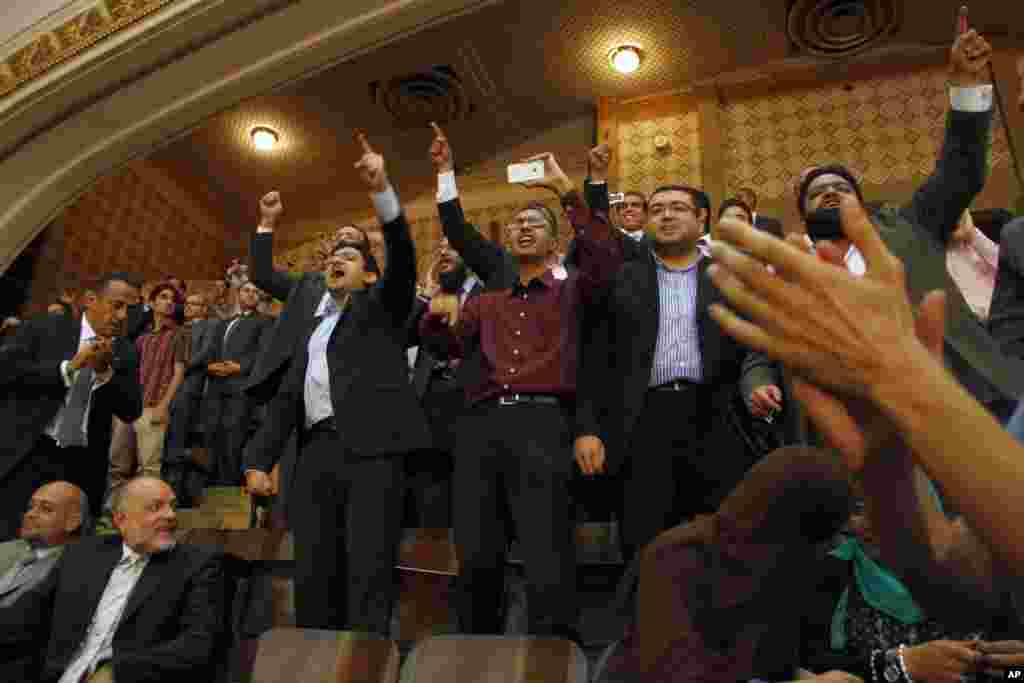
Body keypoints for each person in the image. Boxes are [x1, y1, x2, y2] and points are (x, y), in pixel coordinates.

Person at [742, 29, 1024, 424]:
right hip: (869, 427)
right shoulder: (788, 264)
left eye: (841, 187)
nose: (830, 194)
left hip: (972, 399)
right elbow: (762, 348)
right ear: (802, 213)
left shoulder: (908, 225)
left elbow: (961, 168)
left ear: (862, 201)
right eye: (817, 192)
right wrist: (756, 383)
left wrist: (967, 86)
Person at [420, 145, 623, 641]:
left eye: (536, 222)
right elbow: (445, 346)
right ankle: (476, 654)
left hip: (544, 425)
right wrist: (434, 315)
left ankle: (552, 658)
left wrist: (564, 190)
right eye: (516, 224)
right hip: (479, 430)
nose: (524, 226)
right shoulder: (485, 301)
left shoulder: (574, 289)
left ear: (555, 243)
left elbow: (605, 253)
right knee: (476, 554)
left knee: (547, 553)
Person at [244, 134, 430, 634]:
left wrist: (384, 193)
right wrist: (260, 460)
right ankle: (315, 655)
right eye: (333, 254)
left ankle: (362, 661)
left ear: (369, 276)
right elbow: (288, 399)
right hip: (317, 454)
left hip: (373, 453)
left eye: (351, 256)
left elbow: (405, 259)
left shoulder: (383, 310)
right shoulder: (312, 327)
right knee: (313, 566)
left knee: (367, 567)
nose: (337, 258)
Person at [574, 181, 771, 565]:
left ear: (702, 220)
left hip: (717, 418)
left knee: (721, 539)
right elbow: (595, 359)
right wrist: (587, 428)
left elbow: (754, 346)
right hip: (644, 422)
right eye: (658, 209)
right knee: (645, 542)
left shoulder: (729, 276)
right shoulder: (623, 279)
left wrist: (759, 386)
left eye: (678, 208)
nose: (665, 215)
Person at [599, 445, 854, 683]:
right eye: (820, 540)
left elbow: (773, 668)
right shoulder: (676, 558)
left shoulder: (779, 568)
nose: (828, 549)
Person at [0, 477, 225, 683]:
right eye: (155, 507)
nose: (170, 515)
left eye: (173, 506)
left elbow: (197, 646)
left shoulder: (197, 564)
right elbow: (26, 616)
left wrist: (116, 671)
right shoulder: (83, 554)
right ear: (121, 519)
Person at [0, 273, 142, 536]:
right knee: (9, 535)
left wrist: (105, 374)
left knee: (67, 550)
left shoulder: (126, 351)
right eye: (117, 305)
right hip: (28, 452)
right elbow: (7, 373)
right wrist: (69, 368)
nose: (123, 316)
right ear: (91, 300)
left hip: (82, 464)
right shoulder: (44, 328)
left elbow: (131, 409)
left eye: (130, 309)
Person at [198, 281, 272, 486]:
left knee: (234, 437)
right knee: (212, 434)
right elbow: (210, 350)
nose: (250, 295)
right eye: (246, 290)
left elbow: (264, 353)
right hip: (215, 387)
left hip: (241, 388)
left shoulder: (265, 321)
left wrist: (240, 367)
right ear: (238, 294)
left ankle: (230, 485)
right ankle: (211, 484)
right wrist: (209, 365)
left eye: (255, 292)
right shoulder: (224, 322)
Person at [117, 284, 186, 490]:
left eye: (172, 299)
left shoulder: (179, 334)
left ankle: (146, 515)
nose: (168, 302)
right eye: (163, 297)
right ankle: (114, 512)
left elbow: (179, 373)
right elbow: (132, 373)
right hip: (132, 406)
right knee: (118, 465)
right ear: (152, 303)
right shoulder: (142, 338)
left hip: (155, 405)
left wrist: (163, 406)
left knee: (149, 466)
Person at [0, 482, 89, 608]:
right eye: (30, 507)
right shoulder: (4, 549)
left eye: (46, 509)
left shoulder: (76, 568)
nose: (30, 514)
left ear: (72, 522)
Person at [164, 293, 216, 506]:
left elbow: (205, 353)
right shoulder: (177, 328)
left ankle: (178, 495)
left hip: (190, 386)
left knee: (179, 441)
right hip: (168, 387)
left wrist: (181, 366)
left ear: (204, 308)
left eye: (194, 304)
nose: (188, 307)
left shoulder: (209, 326)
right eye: (187, 303)